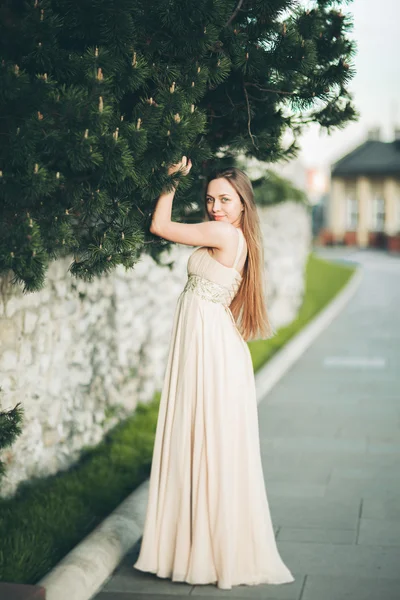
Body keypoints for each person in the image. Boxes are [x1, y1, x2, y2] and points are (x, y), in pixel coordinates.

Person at [133, 157, 295, 590]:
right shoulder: (233, 235)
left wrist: (169, 181)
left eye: (225, 199)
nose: (216, 207)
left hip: (211, 349)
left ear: (242, 203)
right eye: (209, 199)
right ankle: (198, 545)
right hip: (211, 346)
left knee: (203, 439)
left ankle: (200, 549)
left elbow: (161, 225)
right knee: (207, 442)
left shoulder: (224, 233)